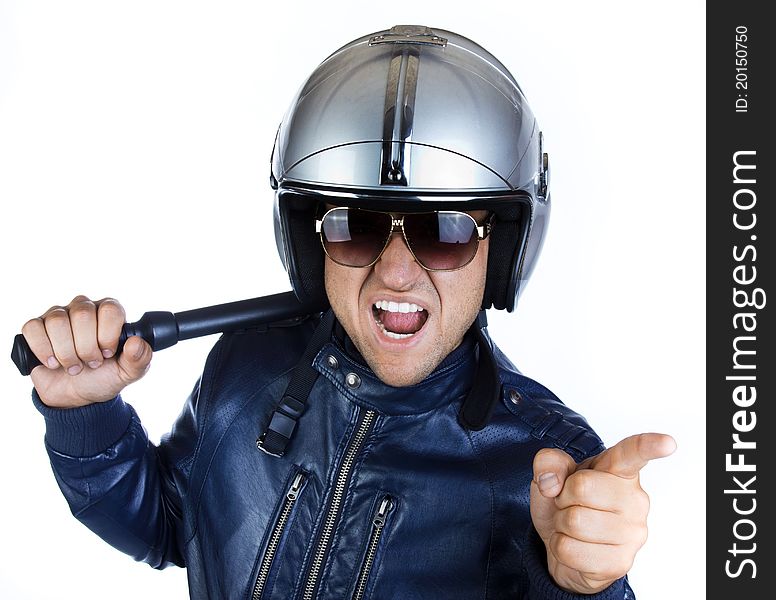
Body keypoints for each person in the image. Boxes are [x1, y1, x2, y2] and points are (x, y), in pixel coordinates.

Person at [22, 25, 675, 599]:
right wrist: (86, 418)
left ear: (499, 249)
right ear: (311, 243)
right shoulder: (245, 367)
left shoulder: (549, 467)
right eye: (355, 227)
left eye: (443, 232)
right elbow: (173, 524)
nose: (393, 271)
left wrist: (583, 587)